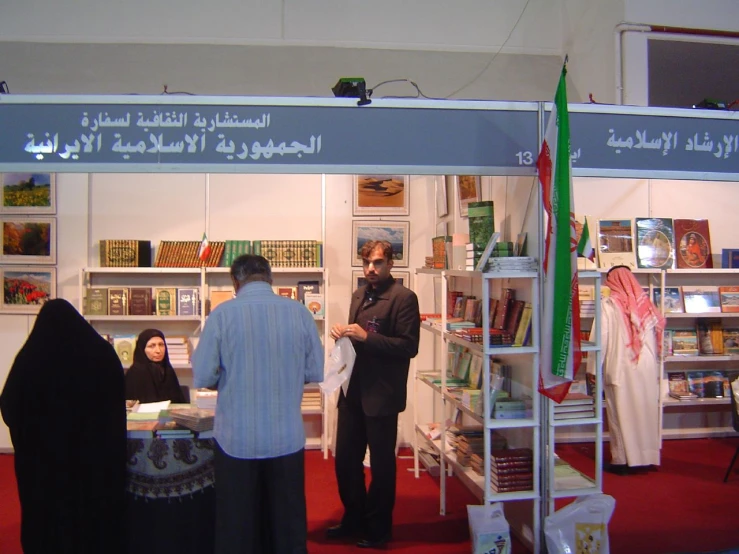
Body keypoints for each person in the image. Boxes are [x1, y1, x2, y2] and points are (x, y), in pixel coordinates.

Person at [192, 254, 324, 554]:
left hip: (236, 439)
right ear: (270, 278)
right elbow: (316, 371)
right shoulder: (300, 313)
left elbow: (202, 375)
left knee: (237, 527)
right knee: (287, 527)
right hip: (286, 438)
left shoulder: (222, 316)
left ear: (235, 282)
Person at [0, 299, 127, 553]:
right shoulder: (101, 354)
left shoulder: (30, 358)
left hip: (43, 468)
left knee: (47, 526)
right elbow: (115, 406)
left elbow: (9, 407)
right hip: (92, 465)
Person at [326, 239, 420, 548]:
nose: (371, 268)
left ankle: (379, 529)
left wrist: (368, 337)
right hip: (352, 390)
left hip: (382, 394)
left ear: (390, 264)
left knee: (381, 466)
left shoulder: (404, 298)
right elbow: (357, 341)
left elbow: (408, 346)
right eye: (367, 262)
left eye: (377, 263)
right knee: (346, 462)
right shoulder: (359, 294)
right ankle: (354, 519)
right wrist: (343, 333)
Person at [588, 265, 665, 475]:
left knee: (620, 413)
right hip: (645, 367)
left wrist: (593, 368)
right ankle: (646, 457)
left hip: (621, 366)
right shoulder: (645, 304)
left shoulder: (609, 304)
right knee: (645, 410)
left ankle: (622, 460)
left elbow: (599, 339)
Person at [124, 328, 187, 404]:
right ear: (142, 349)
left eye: (161, 345)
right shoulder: (135, 373)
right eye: (152, 346)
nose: (158, 351)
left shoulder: (167, 370)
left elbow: (179, 403)